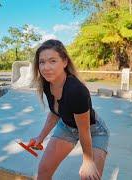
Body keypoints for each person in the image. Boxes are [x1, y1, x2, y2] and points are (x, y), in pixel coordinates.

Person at [30, 39, 109, 180]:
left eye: (52, 61)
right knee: (43, 171)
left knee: (89, 177)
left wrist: (88, 161)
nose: (46, 67)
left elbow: (84, 130)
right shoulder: (48, 83)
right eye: (42, 62)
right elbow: (55, 113)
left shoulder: (77, 90)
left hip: (94, 131)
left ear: (64, 62)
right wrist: (40, 138)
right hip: (67, 126)